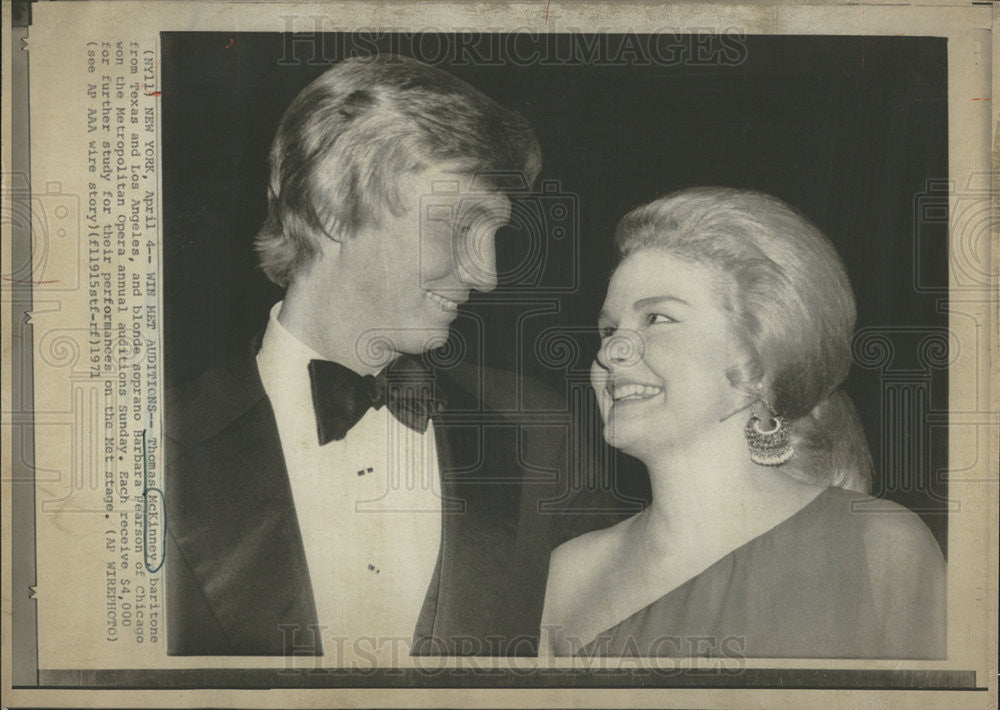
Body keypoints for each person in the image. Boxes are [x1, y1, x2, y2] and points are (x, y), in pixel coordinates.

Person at [165, 55, 579, 658]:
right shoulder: (150, 448)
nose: (487, 274)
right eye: (461, 226)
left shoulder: (539, 430)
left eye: (495, 233)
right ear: (333, 207)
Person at [541, 187, 946, 659]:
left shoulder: (882, 548)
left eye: (656, 318)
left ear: (758, 355)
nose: (613, 350)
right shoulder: (568, 577)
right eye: (608, 330)